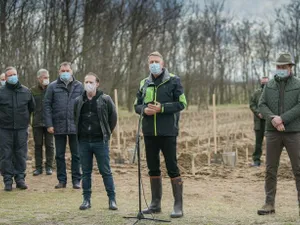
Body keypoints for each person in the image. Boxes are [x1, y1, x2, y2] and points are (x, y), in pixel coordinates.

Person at [134, 51, 187, 218]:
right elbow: (136, 105)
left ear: (163, 64)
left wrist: (161, 108)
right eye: (151, 62)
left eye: (156, 61)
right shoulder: (144, 83)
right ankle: (155, 204)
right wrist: (145, 110)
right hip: (149, 133)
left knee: (172, 167)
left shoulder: (174, 80)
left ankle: (178, 205)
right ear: (148, 64)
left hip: (168, 132)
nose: (154, 64)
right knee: (152, 168)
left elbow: (182, 103)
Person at [258, 52, 300, 215]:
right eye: (278, 67)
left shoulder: (298, 84)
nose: (280, 69)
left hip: (293, 132)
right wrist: (273, 119)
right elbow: (262, 105)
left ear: (290, 67)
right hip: (273, 133)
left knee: (298, 169)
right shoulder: (269, 86)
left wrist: (282, 119)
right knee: (270, 169)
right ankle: (269, 204)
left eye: (283, 67)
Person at [74, 72, 118, 210]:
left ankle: (112, 200)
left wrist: (106, 132)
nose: (88, 85)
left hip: (100, 142)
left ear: (97, 83)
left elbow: (113, 117)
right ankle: (86, 200)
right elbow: (75, 117)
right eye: (86, 82)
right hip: (84, 142)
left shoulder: (105, 99)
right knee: (86, 172)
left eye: (91, 82)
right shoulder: (78, 100)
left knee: (105, 171)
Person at [44, 62, 83, 189]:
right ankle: (62, 180)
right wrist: (49, 124)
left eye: (67, 70)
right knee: (59, 155)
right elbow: (47, 106)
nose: (65, 73)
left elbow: (84, 105)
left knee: (76, 154)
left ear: (72, 71)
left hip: (75, 126)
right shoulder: (52, 87)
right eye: (63, 71)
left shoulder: (79, 86)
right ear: (59, 72)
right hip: (58, 125)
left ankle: (76, 180)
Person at [0, 66, 35, 191]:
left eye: (14, 74)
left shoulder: (26, 91)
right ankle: (8, 180)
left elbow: (31, 107)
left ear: (17, 75)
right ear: (6, 77)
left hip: (21, 129)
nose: (12, 77)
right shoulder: (1, 92)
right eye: (10, 75)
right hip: (4, 129)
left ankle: (20, 179)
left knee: (20, 154)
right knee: (6, 155)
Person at [31, 69, 54, 176]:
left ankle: (49, 167)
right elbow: (29, 106)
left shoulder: (52, 89)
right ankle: (38, 168)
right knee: (38, 145)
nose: (46, 79)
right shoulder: (33, 91)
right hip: (37, 122)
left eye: (47, 77)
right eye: (44, 77)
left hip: (49, 123)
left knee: (49, 145)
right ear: (39, 78)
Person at [249, 76, 269, 167]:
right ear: (260, 83)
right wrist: (258, 113)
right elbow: (252, 104)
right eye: (263, 83)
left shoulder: (272, 93)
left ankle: (271, 161)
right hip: (259, 122)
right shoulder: (256, 93)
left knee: (271, 142)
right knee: (258, 143)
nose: (264, 85)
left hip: (269, 122)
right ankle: (256, 160)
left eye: (266, 83)